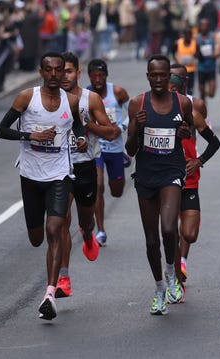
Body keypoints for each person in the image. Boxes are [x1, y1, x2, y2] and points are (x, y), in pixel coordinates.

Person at [0, 52, 87, 321]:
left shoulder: (71, 102)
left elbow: (80, 128)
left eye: (59, 70)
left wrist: (81, 140)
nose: (54, 74)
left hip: (60, 174)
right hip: (31, 175)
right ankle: (50, 285)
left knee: (55, 229)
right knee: (37, 238)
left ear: (63, 72)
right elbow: (1, 130)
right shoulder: (27, 98)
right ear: (41, 72)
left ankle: (49, 293)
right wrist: (30, 135)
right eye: (49, 69)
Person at [126, 54, 193, 315]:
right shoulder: (137, 104)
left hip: (172, 172)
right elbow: (130, 150)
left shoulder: (183, 103)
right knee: (151, 239)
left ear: (169, 77)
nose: (158, 80)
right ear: (147, 76)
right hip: (145, 175)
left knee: (168, 228)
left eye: (162, 75)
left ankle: (171, 272)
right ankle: (159, 288)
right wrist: (136, 127)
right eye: (153, 75)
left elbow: (188, 133)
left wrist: (185, 134)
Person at [56, 51, 121, 298]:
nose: (63, 76)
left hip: (85, 166)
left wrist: (86, 126)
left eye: (69, 71)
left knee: (85, 221)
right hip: (58, 170)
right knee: (60, 221)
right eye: (59, 71)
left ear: (77, 73)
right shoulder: (47, 100)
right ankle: (63, 278)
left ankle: (87, 234)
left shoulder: (90, 99)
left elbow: (112, 132)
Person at [168, 63, 220, 296]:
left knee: (189, 233)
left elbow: (214, 141)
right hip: (165, 178)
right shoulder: (152, 109)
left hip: (189, 177)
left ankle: (181, 261)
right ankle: (175, 277)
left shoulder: (194, 110)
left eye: (174, 87)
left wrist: (198, 160)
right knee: (169, 229)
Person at [87, 58, 130, 246]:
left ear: (106, 76)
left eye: (101, 75)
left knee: (117, 191)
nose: (97, 79)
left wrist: (122, 127)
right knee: (97, 186)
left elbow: (134, 114)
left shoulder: (118, 92)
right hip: (95, 147)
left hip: (115, 146)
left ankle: (122, 158)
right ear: (89, 77)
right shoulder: (85, 94)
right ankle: (101, 230)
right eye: (94, 76)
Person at [196, 18, 218, 103]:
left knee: (212, 93)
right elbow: (193, 51)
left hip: (211, 67)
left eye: (206, 25)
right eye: (202, 25)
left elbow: (218, 47)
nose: (204, 27)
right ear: (200, 27)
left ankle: (207, 93)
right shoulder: (197, 37)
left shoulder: (212, 36)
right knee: (202, 94)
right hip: (201, 67)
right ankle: (204, 111)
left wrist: (215, 54)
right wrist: (197, 53)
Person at [174, 26, 198, 96]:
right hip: (181, 71)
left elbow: (199, 54)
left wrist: (196, 55)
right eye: (186, 34)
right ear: (183, 34)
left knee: (190, 90)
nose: (188, 36)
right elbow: (172, 51)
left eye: (189, 34)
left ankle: (189, 103)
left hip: (191, 70)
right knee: (180, 89)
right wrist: (176, 60)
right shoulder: (178, 42)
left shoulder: (195, 43)